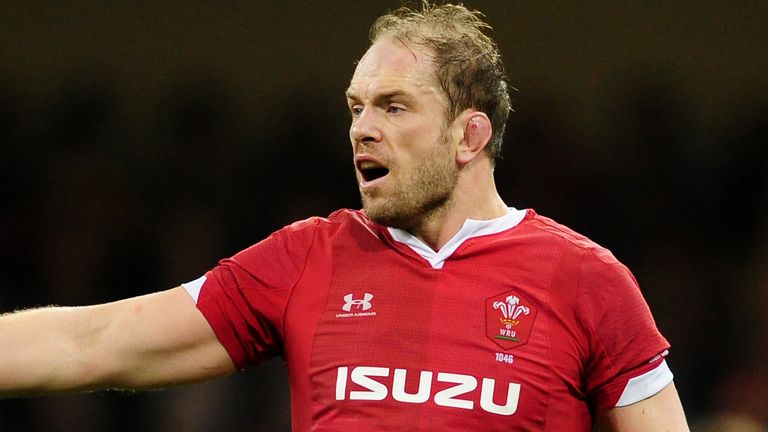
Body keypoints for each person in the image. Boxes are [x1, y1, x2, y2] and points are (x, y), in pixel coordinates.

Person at [0, 2, 689, 431]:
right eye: (355, 107)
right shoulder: (307, 259)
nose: (362, 128)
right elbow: (92, 340)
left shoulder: (586, 279)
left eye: (393, 106)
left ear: (469, 136)